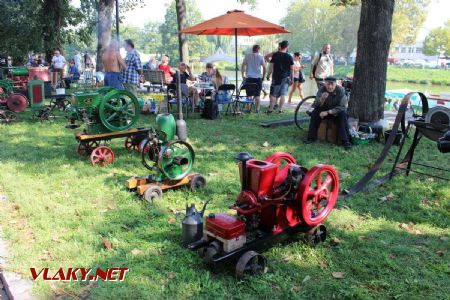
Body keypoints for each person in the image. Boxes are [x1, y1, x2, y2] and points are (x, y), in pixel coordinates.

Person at [304, 76, 352, 150]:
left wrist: (329, 112)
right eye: (328, 84)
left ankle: (345, 141)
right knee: (314, 113)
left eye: (332, 84)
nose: (330, 86)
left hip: (336, 112)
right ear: (325, 84)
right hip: (324, 111)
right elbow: (315, 105)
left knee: (343, 114)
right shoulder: (321, 89)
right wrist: (321, 99)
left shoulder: (341, 90)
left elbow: (343, 106)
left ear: (335, 84)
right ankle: (311, 138)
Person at [266, 40, 294, 114]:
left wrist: (268, 75)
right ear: (287, 47)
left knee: (273, 94)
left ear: (280, 46)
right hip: (286, 78)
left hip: (276, 78)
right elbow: (292, 69)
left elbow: (271, 67)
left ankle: (270, 110)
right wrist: (292, 79)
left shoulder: (275, 55)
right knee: (283, 94)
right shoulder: (289, 56)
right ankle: (280, 110)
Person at [241, 44, 266, 112]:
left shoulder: (247, 56)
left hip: (249, 78)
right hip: (258, 78)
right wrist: (263, 77)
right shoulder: (261, 57)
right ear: (259, 49)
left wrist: (242, 75)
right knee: (257, 95)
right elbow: (264, 68)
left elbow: (243, 65)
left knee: (249, 94)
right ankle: (257, 109)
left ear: (253, 49)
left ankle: (248, 109)